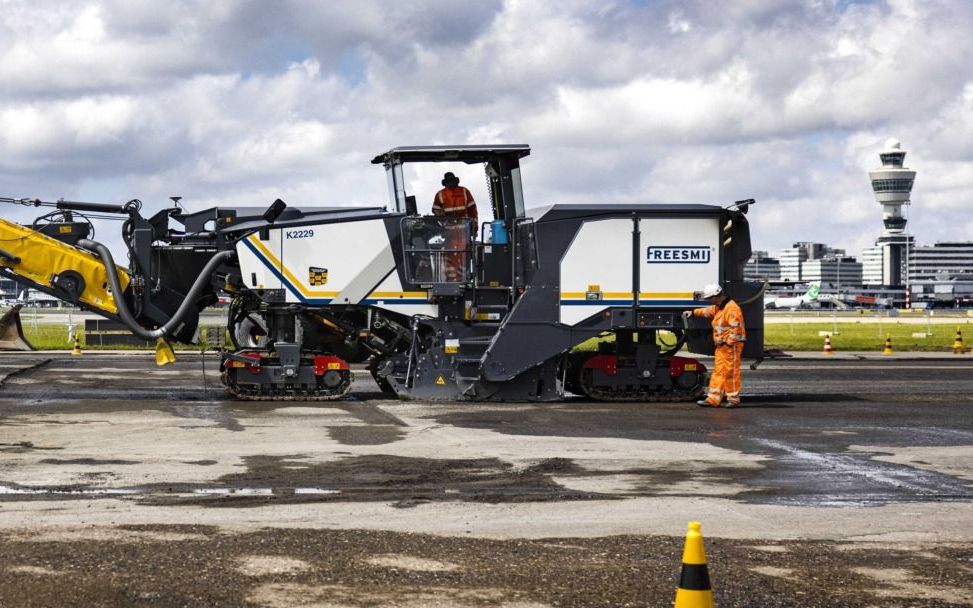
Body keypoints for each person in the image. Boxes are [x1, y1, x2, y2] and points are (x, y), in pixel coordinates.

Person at [682, 283, 746, 407]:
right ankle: (713, 399)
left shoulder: (732, 309)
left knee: (730, 373)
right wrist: (693, 312)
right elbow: (708, 311)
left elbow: (736, 330)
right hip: (722, 347)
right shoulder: (721, 307)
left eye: (709, 298)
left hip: (730, 347)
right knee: (719, 372)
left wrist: (728, 342)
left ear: (717, 296)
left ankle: (733, 399)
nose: (709, 301)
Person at [431, 172, 478, 282]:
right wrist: (442, 217)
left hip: (463, 231)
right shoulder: (440, 194)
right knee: (450, 256)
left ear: (456, 181)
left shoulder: (465, 192)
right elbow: (435, 210)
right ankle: (452, 280)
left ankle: (463, 279)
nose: (450, 183)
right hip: (449, 233)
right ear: (445, 183)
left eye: (452, 181)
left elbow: (473, 211)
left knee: (464, 256)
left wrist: (474, 229)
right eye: (448, 182)